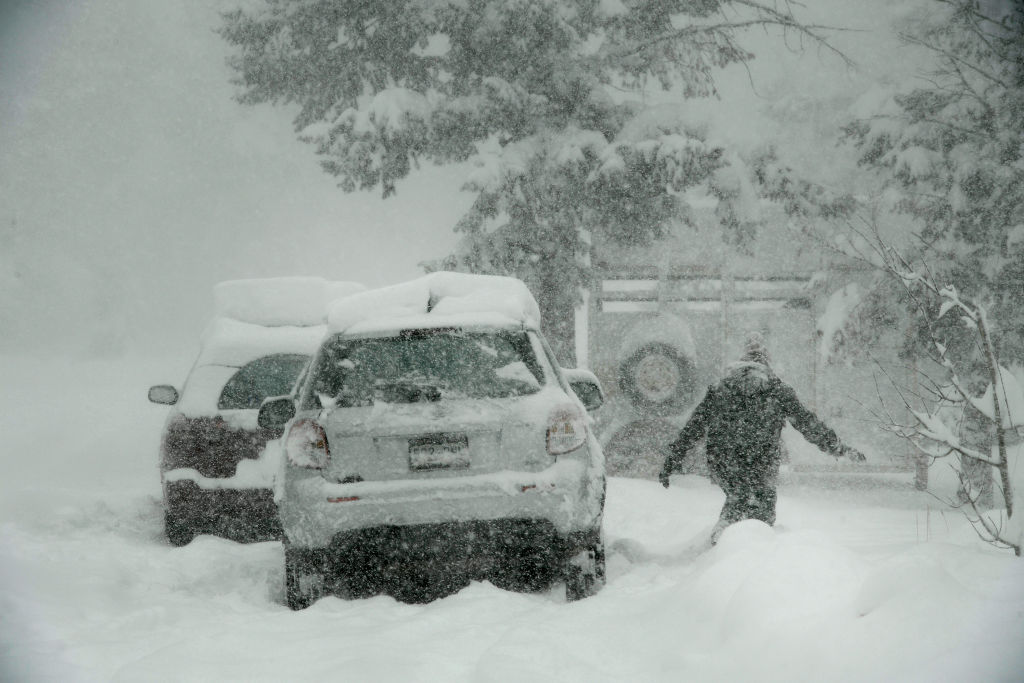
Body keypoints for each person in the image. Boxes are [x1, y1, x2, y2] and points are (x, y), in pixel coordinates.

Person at [658, 332, 865, 542]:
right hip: (761, 458)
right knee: (761, 507)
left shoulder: (721, 388)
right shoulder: (778, 391)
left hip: (723, 458)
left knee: (738, 498)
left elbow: (695, 426)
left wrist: (674, 457)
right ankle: (740, 545)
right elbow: (807, 423)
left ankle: (727, 540)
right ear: (767, 363)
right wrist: (837, 447)